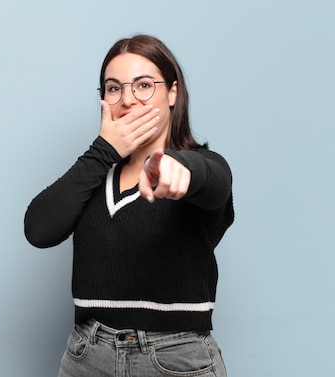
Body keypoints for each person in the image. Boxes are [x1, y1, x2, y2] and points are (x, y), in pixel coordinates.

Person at [24, 34, 234, 377]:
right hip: (86, 355)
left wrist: (179, 168)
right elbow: (38, 230)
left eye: (144, 85)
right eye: (113, 87)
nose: (127, 99)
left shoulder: (200, 165)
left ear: (173, 93)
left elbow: (215, 180)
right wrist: (104, 149)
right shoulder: (93, 175)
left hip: (175, 359)